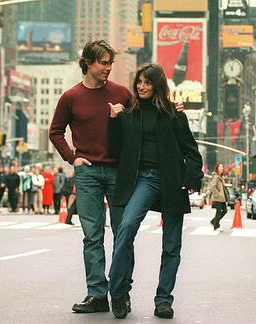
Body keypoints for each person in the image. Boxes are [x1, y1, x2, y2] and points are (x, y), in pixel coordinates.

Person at [106, 63, 203, 319]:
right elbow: (114, 149)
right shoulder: (128, 115)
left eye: (147, 82)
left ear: (157, 85)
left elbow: (192, 152)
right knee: (126, 228)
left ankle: (163, 300)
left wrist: (190, 177)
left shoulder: (174, 115)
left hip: (171, 181)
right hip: (143, 180)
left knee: (171, 246)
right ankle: (117, 292)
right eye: (139, 82)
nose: (142, 87)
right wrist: (114, 121)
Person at [49, 39, 133, 313]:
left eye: (111, 63)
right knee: (92, 236)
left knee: (123, 234)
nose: (108, 68)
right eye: (103, 63)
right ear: (87, 63)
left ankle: (120, 292)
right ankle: (97, 294)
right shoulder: (71, 97)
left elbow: (141, 124)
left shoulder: (122, 93)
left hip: (119, 172)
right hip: (87, 173)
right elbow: (56, 131)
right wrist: (72, 157)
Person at [209, 164, 230, 231]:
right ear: (217, 168)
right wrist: (217, 194)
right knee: (218, 211)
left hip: (222, 198)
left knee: (224, 210)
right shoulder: (216, 177)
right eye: (220, 167)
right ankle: (216, 226)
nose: (221, 168)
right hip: (218, 197)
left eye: (222, 167)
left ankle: (213, 221)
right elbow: (212, 186)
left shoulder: (220, 177)